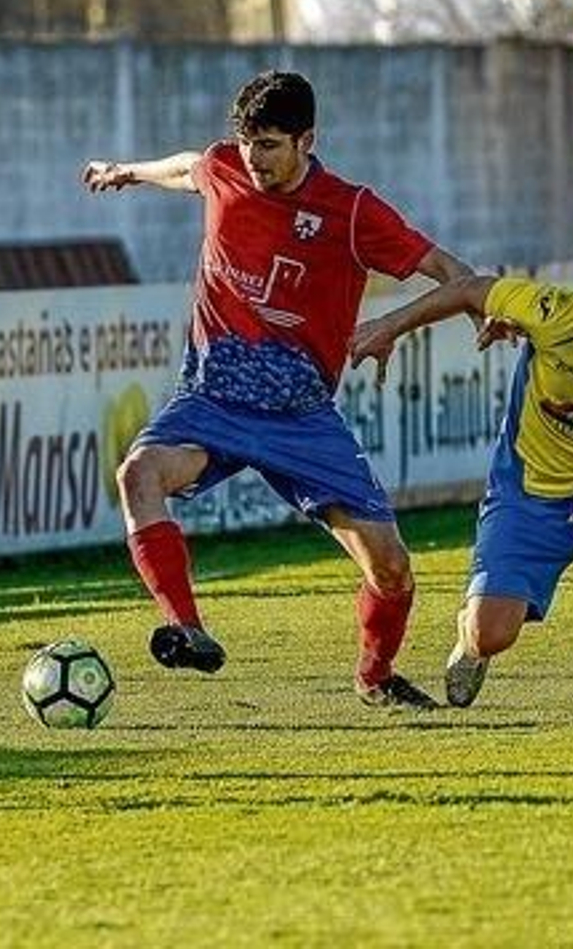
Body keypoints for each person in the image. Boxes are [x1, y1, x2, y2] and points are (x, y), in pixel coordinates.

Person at [81, 70, 477, 709]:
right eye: (246, 144)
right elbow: (189, 166)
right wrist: (125, 171)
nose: (253, 160)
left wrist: (474, 307)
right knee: (138, 475)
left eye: (269, 145)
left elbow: (449, 271)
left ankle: (376, 679)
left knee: (392, 568)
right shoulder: (224, 168)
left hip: (301, 418)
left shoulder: (351, 211)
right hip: (211, 399)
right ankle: (187, 627)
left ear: (306, 140)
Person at [350, 261, 573, 715]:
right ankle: (471, 645)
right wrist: (390, 325)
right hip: (526, 491)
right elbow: (469, 289)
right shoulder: (559, 311)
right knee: (490, 635)